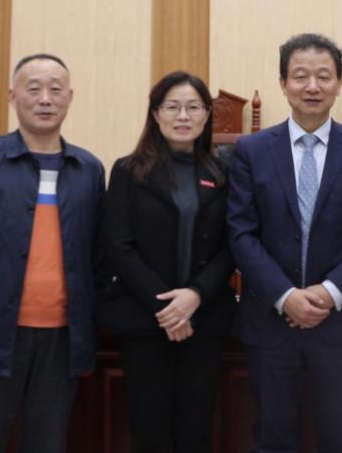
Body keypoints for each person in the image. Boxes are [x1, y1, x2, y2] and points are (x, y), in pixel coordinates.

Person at [226, 33, 342, 453]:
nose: (312, 86)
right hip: (271, 323)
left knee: (340, 438)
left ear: (338, 84)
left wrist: (328, 292)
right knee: (273, 438)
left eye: (324, 76)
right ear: (283, 84)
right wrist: (286, 297)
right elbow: (241, 233)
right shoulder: (251, 150)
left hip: (341, 322)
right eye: (300, 76)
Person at [0, 53, 105, 453]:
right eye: (33, 89)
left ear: (69, 97)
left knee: (48, 442)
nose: (45, 99)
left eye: (55, 89)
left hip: (62, 336)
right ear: (12, 96)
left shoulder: (88, 169)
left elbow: (98, 258)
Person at [99, 71, 235, 453]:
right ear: (156, 113)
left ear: (207, 115)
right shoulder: (128, 171)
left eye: (193, 107)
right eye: (173, 107)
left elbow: (232, 246)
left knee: (197, 430)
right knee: (150, 430)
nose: (183, 116)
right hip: (145, 321)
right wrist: (169, 309)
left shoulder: (223, 174)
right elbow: (119, 246)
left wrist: (195, 296)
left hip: (204, 320)